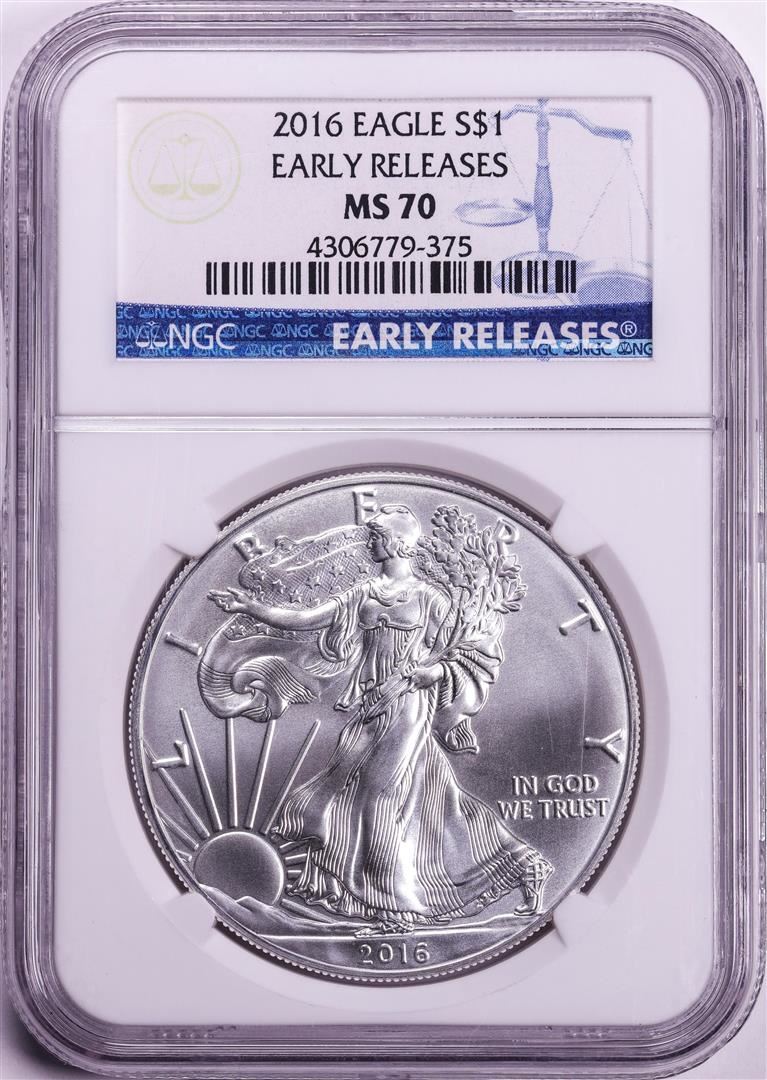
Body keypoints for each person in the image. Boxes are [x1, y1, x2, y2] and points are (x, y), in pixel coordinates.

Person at [210, 505, 552, 933]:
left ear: (397, 543)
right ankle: (525, 865)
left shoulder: (430, 598)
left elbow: (466, 651)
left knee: (378, 799)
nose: (370, 543)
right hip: (371, 708)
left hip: (408, 705)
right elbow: (306, 620)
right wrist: (253, 607)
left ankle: (396, 909)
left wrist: (429, 673)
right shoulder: (364, 593)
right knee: (426, 800)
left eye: (376, 536)